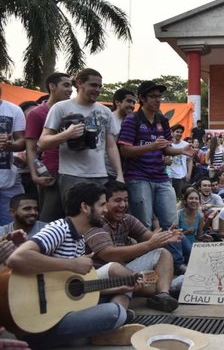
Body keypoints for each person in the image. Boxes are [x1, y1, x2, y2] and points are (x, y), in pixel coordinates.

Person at [5, 183, 134, 348]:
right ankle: (106, 327)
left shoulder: (79, 238)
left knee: (126, 287)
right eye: (101, 204)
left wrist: (118, 288)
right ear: (85, 207)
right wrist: (72, 264)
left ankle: (103, 327)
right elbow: (17, 258)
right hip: (39, 324)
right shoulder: (59, 229)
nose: (105, 210)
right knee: (114, 312)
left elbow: (73, 289)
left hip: (60, 309)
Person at [84, 181, 182, 311]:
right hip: (101, 275)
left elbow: (149, 238)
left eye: (125, 200)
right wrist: (150, 244)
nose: (123, 205)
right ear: (104, 203)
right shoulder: (96, 222)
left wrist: (166, 237)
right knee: (118, 269)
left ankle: (163, 295)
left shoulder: (127, 219)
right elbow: (109, 254)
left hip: (124, 272)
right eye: (117, 201)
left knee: (163, 253)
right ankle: (163, 286)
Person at [39, 68, 123, 206]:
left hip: (100, 175)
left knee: (100, 218)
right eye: (93, 85)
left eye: (100, 86)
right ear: (79, 83)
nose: (97, 89)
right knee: (76, 219)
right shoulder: (60, 107)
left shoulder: (105, 111)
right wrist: (67, 134)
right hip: (71, 175)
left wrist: (119, 175)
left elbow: (111, 146)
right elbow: (42, 143)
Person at [118, 81, 194, 230]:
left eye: (159, 96)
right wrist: (151, 146)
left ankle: (174, 255)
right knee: (143, 225)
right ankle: (145, 253)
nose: (158, 100)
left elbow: (165, 148)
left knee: (172, 224)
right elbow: (124, 151)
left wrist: (181, 150)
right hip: (138, 177)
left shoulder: (163, 120)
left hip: (161, 176)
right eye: (152, 96)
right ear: (142, 98)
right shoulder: (132, 119)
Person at [24, 73, 72, 222]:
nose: (70, 89)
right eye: (66, 85)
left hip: (76, 171)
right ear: (52, 87)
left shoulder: (74, 111)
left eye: (71, 86)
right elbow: (31, 148)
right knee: (49, 219)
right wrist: (34, 176)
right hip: (51, 173)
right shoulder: (37, 113)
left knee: (74, 217)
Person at [0, 84, 27, 226]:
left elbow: (21, 140)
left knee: (12, 228)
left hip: (8, 181)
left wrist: (12, 146)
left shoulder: (13, 110)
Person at [105, 88, 136, 181]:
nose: (132, 105)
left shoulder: (134, 122)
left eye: (134, 102)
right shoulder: (108, 119)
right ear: (118, 102)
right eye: (129, 101)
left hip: (130, 173)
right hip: (108, 173)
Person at [166, 124, 193, 199]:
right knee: (169, 198)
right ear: (172, 132)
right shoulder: (167, 144)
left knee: (180, 198)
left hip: (181, 176)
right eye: (177, 132)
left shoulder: (186, 144)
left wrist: (189, 174)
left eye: (181, 132)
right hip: (168, 175)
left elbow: (190, 160)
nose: (179, 134)